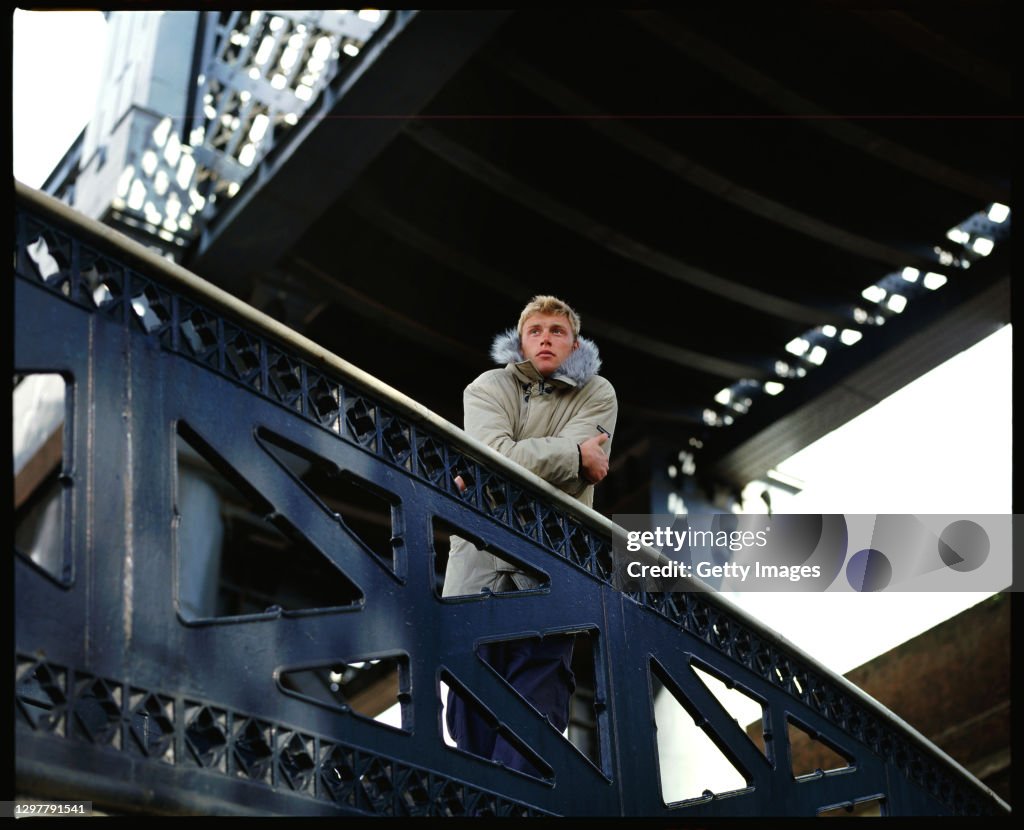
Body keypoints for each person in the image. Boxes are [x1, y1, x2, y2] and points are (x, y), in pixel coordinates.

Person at [442, 295, 618, 773]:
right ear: (520, 341)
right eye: (536, 330)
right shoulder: (487, 386)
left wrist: (491, 471)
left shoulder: (598, 393)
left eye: (557, 331)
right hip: (476, 582)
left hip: (549, 580)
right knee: (470, 734)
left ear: (575, 343)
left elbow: (495, 464)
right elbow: (492, 454)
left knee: (532, 737)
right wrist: (571, 457)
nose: (545, 338)